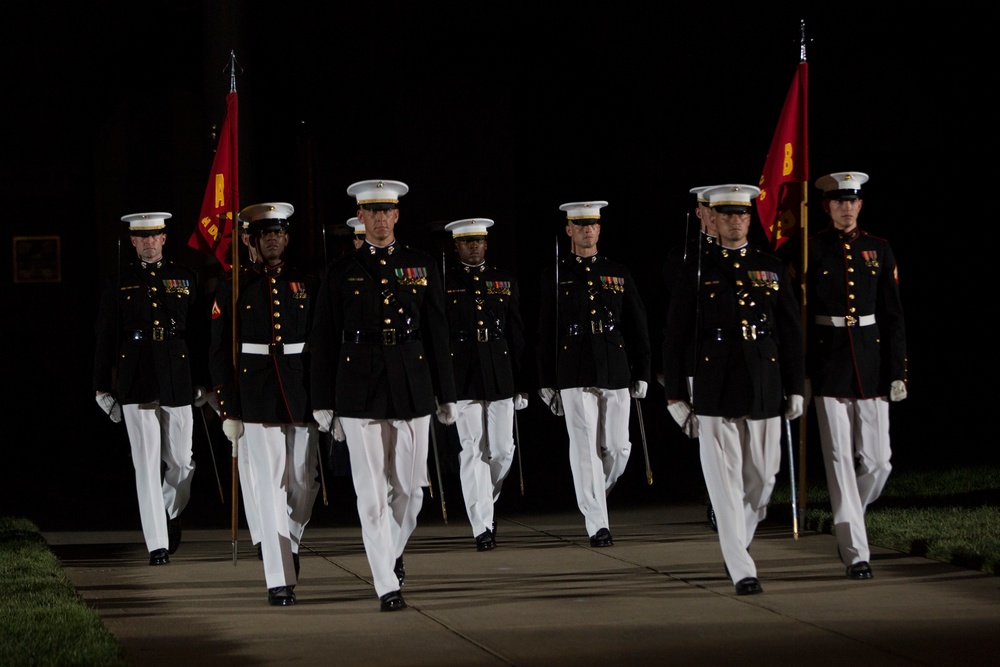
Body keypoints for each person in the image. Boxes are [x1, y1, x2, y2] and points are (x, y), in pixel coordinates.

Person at [308, 179, 457, 612]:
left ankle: (389, 553)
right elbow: (325, 338)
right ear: (361, 217)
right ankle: (385, 582)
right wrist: (323, 400)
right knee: (371, 494)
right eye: (369, 212)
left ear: (396, 215)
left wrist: (445, 394)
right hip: (358, 385)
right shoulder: (341, 271)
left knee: (411, 491)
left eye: (385, 212)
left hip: (412, 382)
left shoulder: (421, 265)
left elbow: (436, 332)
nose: (378, 219)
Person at [663, 184, 804, 596]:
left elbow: (790, 333)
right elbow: (676, 336)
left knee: (762, 479)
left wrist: (796, 386)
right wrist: (674, 393)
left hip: (764, 379)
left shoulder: (770, 267)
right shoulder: (697, 269)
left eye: (742, 214)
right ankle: (742, 568)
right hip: (715, 381)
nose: (735, 221)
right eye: (726, 215)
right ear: (714, 218)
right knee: (724, 483)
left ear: (749, 218)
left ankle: (736, 544)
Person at [209, 202, 321, 606]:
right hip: (255, 393)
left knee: (303, 484)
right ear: (250, 239)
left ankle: (288, 541)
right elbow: (219, 349)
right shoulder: (234, 283)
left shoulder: (306, 281)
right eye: (264, 233)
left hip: (300, 390)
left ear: (286, 237)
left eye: (278, 232)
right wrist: (228, 406)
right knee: (268, 488)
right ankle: (278, 578)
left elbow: (319, 344)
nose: (272, 238)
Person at [808, 171, 907, 580]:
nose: (846, 207)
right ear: (828, 206)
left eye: (853, 200)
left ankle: (848, 519)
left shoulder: (878, 249)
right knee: (839, 461)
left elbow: (893, 315)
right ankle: (856, 553)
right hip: (828, 360)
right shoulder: (811, 248)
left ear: (860, 205)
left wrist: (898, 370)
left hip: (871, 362)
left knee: (879, 462)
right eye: (838, 200)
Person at [536, 201, 651, 548]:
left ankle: (594, 495)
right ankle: (597, 523)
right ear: (568, 230)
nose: (588, 229)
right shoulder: (555, 274)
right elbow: (546, 331)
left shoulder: (617, 272)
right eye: (580, 224)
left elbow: (637, 324)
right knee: (585, 448)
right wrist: (545, 380)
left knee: (618, 448)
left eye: (593, 224)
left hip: (614, 365)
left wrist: (643, 370)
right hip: (574, 367)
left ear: (599, 229)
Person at [93, 211, 197, 566]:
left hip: (177, 372)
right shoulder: (119, 281)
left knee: (182, 461)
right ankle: (157, 543)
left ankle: (170, 509)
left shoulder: (184, 277)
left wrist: (206, 383)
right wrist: (100, 386)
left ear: (164, 238)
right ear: (133, 241)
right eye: (143, 237)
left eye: (156, 235)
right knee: (146, 463)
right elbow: (105, 336)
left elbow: (197, 333)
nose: (150, 242)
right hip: (136, 375)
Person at [442, 218, 527, 551]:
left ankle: (484, 502)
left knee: (502, 451)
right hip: (462, 374)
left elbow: (516, 334)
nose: (474, 247)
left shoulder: (503, 281)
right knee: (473, 448)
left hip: (499, 370)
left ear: (487, 244)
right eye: (467, 242)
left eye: (478, 241)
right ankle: (482, 527)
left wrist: (521, 383)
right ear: (457, 246)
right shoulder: (445, 282)